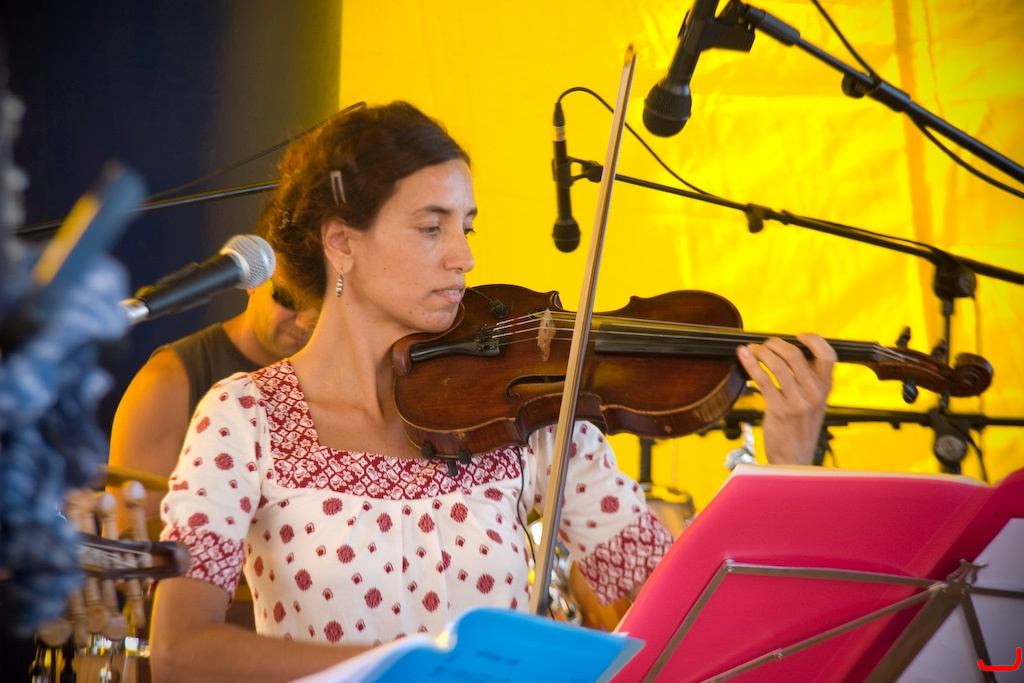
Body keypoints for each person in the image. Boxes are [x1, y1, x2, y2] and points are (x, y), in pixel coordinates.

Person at [149, 102, 836, 682]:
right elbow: (181, 651)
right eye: (432, 227)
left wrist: (786, 469)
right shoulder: (246, 417)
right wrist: (414, 669)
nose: (465, 256)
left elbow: (691, 615)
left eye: (467, 226)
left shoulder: (525, 411)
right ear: (342, 243)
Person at [107, 271, 319, 530]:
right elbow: (131, 537)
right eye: (291, 298)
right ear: (254, 281)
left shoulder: (346, 379)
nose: (306, 320)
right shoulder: (169, 380)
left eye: (322, 302)